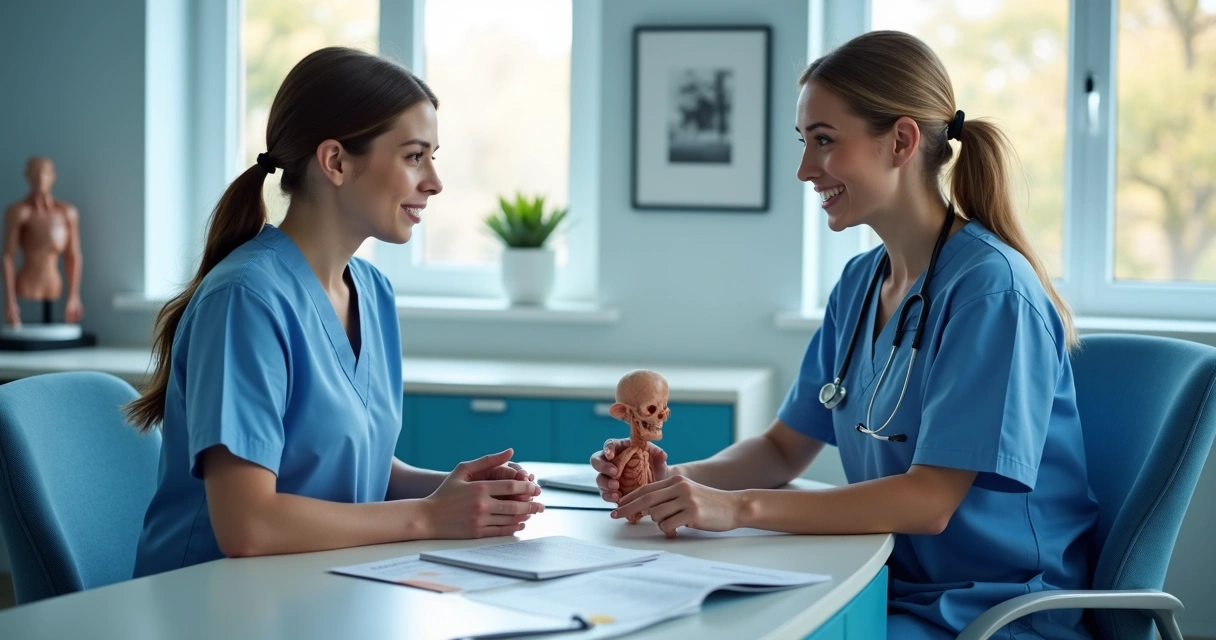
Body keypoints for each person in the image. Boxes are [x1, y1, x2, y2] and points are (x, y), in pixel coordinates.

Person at [591, 31, 1098, 639]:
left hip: (992, 611)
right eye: (804, 143)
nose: (806, 170)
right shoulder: (861, 284)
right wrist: (671, 485)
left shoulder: (992, 294)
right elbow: (782, 451)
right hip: (885, 581)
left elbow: (928, 502)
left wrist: (738, 508)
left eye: (825, 142)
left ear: (901, 141)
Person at [127, 47, 542, 578]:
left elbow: (350, 465)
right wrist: (428, 517)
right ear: (336, 162)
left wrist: (464, 493)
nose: (434, 181)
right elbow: (248, 526)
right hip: (211, 603)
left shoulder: (372, 291)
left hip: (323, 586)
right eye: (415, 156)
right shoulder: (246, 300)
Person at [2, 156, 83, 328]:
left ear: (53, 176)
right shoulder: (19, 213)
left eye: (45, 172)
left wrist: (73, 296)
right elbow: (8, 257)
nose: (40, 178)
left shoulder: (67, 213)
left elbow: (73, 256)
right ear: (27, 175)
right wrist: (10, 302)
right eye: (36, 172)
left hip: (54, 285)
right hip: (26, 285)